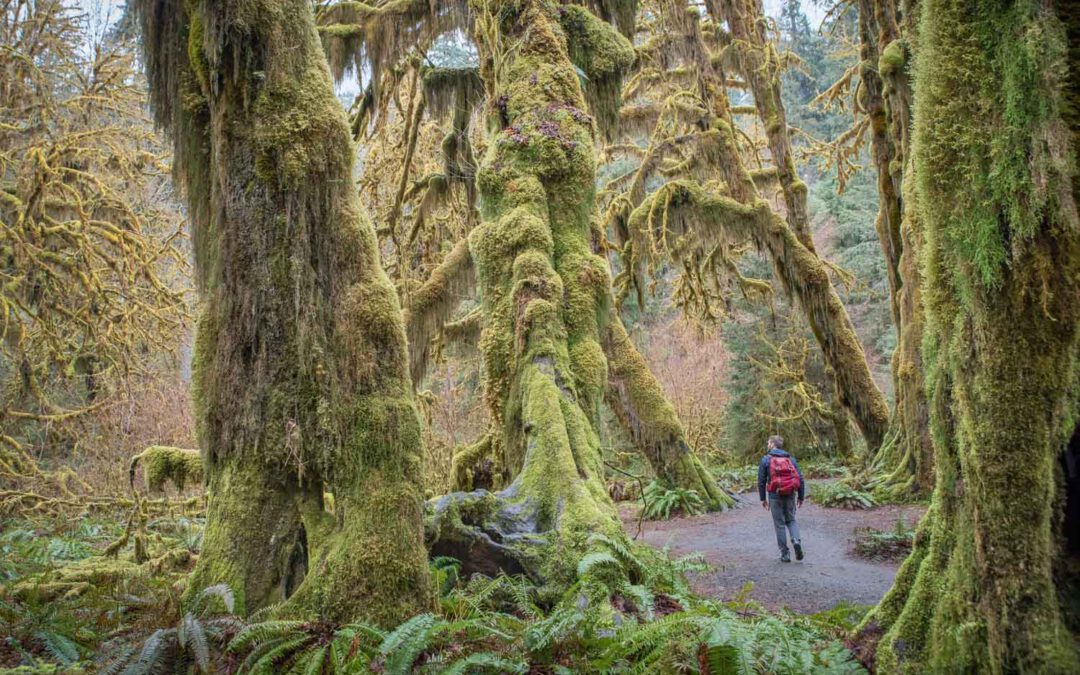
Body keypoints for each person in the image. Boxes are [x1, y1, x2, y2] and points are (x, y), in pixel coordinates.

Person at [758, 435, 806, 562]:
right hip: (790, 494)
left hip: (774, 495)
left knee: (779, 524)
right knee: (791, 520)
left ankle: (785, 554)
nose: (768, 445)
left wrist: (763, 499)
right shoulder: (791, 459)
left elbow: (761, 481)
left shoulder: (766, 460)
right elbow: (800, 478)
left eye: (769, 443)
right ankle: (796, 541)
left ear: (773, 444)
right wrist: (801, 496)